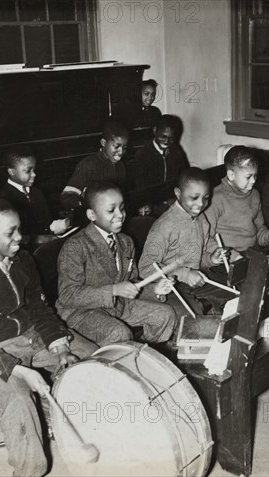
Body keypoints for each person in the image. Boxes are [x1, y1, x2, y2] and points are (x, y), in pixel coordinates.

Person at [0, 197, 98, 477]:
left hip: (31, 335)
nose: (19, 237)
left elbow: (39, 308)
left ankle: (96, 431)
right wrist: (20, 371)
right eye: (10, 232)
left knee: (95, 361)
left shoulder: (23, 260)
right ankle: (29, 471)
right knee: (18, 401)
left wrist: (60, 345)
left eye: (19, 229)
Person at [56, 181, 177, 346]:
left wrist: (155, 289)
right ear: (92, 215)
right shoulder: (75, 246)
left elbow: (132, 283)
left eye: (122, 207)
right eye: (111, 210)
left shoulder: (126, 242)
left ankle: (144, 355)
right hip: (82, 312)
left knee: (165, 315)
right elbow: (68, 295)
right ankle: (119, 363)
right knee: (119, 332)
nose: (120, 215)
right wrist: (113, 290)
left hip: (118, 306)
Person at [139, 167, 229, 315]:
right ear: (178, 193)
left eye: (206, 198)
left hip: (195, 276)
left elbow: (199, 256)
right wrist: (185, 275)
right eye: (194, 197)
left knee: (232, 295)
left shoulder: (201, 219)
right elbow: (145, 267)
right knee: (194, 318)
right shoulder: (165, 225)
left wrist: (211, 258)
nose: (200, 204)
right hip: (171, 283)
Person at [205, 146, 269, 257]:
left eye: (255, 176)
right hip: (224, 260)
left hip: (250, 254)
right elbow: (206, 239)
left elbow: (260, 232)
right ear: (231, 175)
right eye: (248, 177)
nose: (253, 181)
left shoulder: (254, 195)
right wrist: (232, 256)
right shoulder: (215, 199)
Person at [0, 145, 68, 241]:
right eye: (28, 171)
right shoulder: (3, 199)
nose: (34, 174)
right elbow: (6, 237)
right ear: (12, 172)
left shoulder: (37, 193)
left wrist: (65, 224)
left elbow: (48, 225)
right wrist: (37, 239)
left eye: (34, 170)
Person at [60, 121, 129, 210]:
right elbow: (66, 197)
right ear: (103, 143)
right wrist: (88, 204)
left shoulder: (120, 166)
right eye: (116, 147)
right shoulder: (88, 165)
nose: (121, 152)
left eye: (124, 148)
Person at [127, 114, 189, 190]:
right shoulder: (142, 155)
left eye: (171, 138)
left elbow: (184, 175)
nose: (167, 141)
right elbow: (139, 186)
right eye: (163, 136)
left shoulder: (176, 151)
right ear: (155, 130)